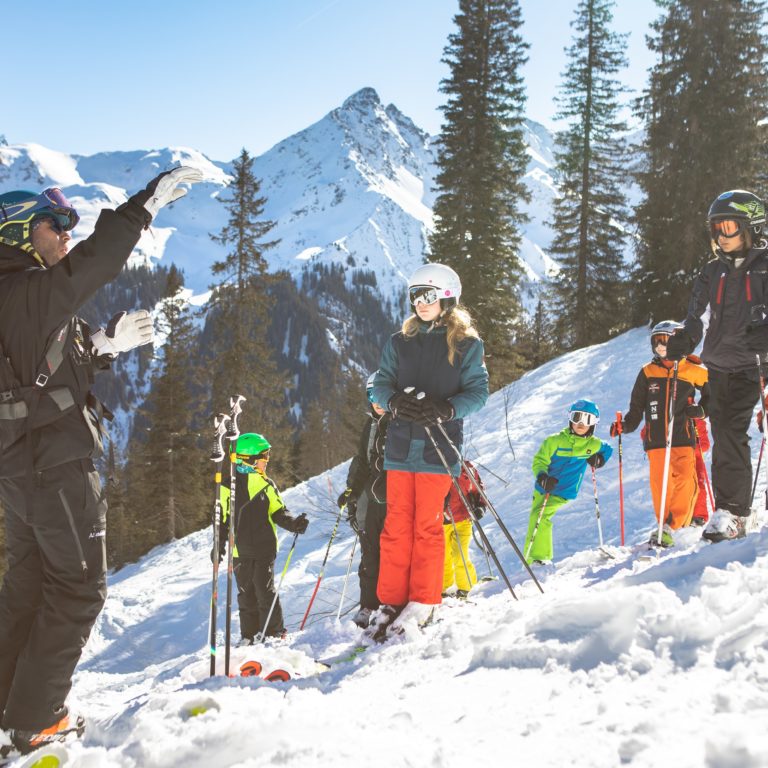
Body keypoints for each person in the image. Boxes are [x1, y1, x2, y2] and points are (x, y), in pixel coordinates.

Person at [0, 167, 202, 754]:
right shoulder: (24, 292)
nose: (65, 231)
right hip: (54, 466)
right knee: (80, 588)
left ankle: (9, 709)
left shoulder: (16, 295)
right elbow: (92, 265)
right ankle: (34, 719)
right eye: (53, 223)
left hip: (22, 468)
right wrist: (141, 207)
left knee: (31, 583)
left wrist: (104, 347)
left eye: (68, 221)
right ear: (16, 234)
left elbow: (41, 370)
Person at [369, 263, 488, 637]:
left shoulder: (467, 345)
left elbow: (477, 393)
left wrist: (447, 408)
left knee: (427, 527)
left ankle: (423, 601)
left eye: (429, 296)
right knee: (395, 528)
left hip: (439, 448)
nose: (420, 303)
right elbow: (380, 386)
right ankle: (391, 601)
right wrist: (395, 404)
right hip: (401, 448)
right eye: (416, 296)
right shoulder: (399, 342)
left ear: (447, 298)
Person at [666, 190, 768, 542]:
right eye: (717, 228)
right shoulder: (712, 272)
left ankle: (736, 510)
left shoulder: (766, 266)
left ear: (751, 226)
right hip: (720, 367)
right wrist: (684, 339)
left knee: (733, 433)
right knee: (725, 433)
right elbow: (697, 317)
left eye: (729, 227)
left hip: (756, 364)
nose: (722, 236)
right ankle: (733, 511)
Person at [612, 322, 709, 547]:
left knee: (685, 481)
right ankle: (664, 527)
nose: (661, 347)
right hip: (656, 441)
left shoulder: (691, 369)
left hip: (683, 438)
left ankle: (677, 527)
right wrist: (625, 426)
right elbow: (636, 408)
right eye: (657, 342)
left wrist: (703, 409)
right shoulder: (648, 372)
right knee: (660, 484)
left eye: (665, 341)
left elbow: (712, 390)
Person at [215, 433, 309, 643]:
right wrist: (218, 543)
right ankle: (249, 636)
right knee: (245, 595)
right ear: (246, 459)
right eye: (263, 457)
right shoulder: (226, 485)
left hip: (264, 548)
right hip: (239, 550)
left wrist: (293, 523)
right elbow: (222, 517)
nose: (266, 462)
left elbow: (278, 511)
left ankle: (274, 633)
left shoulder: (266, 484)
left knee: (264, 591)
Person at [524, 399, 612, 564]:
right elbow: (539, 461)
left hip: (565, 490)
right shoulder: (554, 441)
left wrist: (599, 459)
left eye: (586, 419)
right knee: (535, 519)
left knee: (540, 517)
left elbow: (608, 448)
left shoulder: (593, 444)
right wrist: (542, 476)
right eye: (576, 417)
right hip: (544, 488)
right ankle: (530, 561)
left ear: (593, 424)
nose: (580, 423)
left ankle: (540, 558)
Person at [336, 374, 391, 629]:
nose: (377, 403)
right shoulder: (370, 425)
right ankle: (368, 605)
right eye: (372, 396)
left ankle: (390, 604)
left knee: (392, 552)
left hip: (393, 496)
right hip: (370, 498)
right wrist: (352, 492)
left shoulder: (400, 422)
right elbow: (361, 462)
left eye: (381, 396)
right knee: (370, 553)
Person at [442, 460, 485, 599]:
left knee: (460, 554)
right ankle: (446, 588)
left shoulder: (467, 468)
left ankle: (467, 587)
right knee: (444, 558)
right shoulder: (436, 465)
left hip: (463, 519)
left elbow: (479, 489)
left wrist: (481, 507)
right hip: (441, 521)